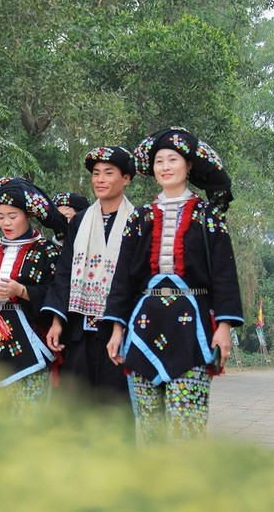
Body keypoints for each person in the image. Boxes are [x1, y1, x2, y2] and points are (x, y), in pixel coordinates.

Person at [103, 128, 243, 442]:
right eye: (159, 161)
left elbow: (224, 274)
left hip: (192, 331)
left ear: (188, 166)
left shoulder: (208, 217)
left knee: (187, 428)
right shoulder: (140, 218)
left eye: (172, 160)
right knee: (151, 430)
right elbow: (123, 278)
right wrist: (116, 328)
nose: (165, 167)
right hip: (144, 328)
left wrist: (224, 327)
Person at [0, 178, 65, 413]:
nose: (5, 222)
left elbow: (58, 292)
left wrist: (22, 291)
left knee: (27, 407)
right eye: (0, 217)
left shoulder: (48, 251)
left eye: (12, 216)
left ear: (28, 215)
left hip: (30, 336)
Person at [43, 147, 135, 398]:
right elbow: (65, 271)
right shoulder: (80, 221)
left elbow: (137, 277)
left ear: (126, 178)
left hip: (120, 329)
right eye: (96, 173)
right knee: (75, 405)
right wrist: (57, 321)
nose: (100, 179)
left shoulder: (137, 220)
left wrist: (120, 324)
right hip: (80, 328)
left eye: (108, 173)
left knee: (114, 405)